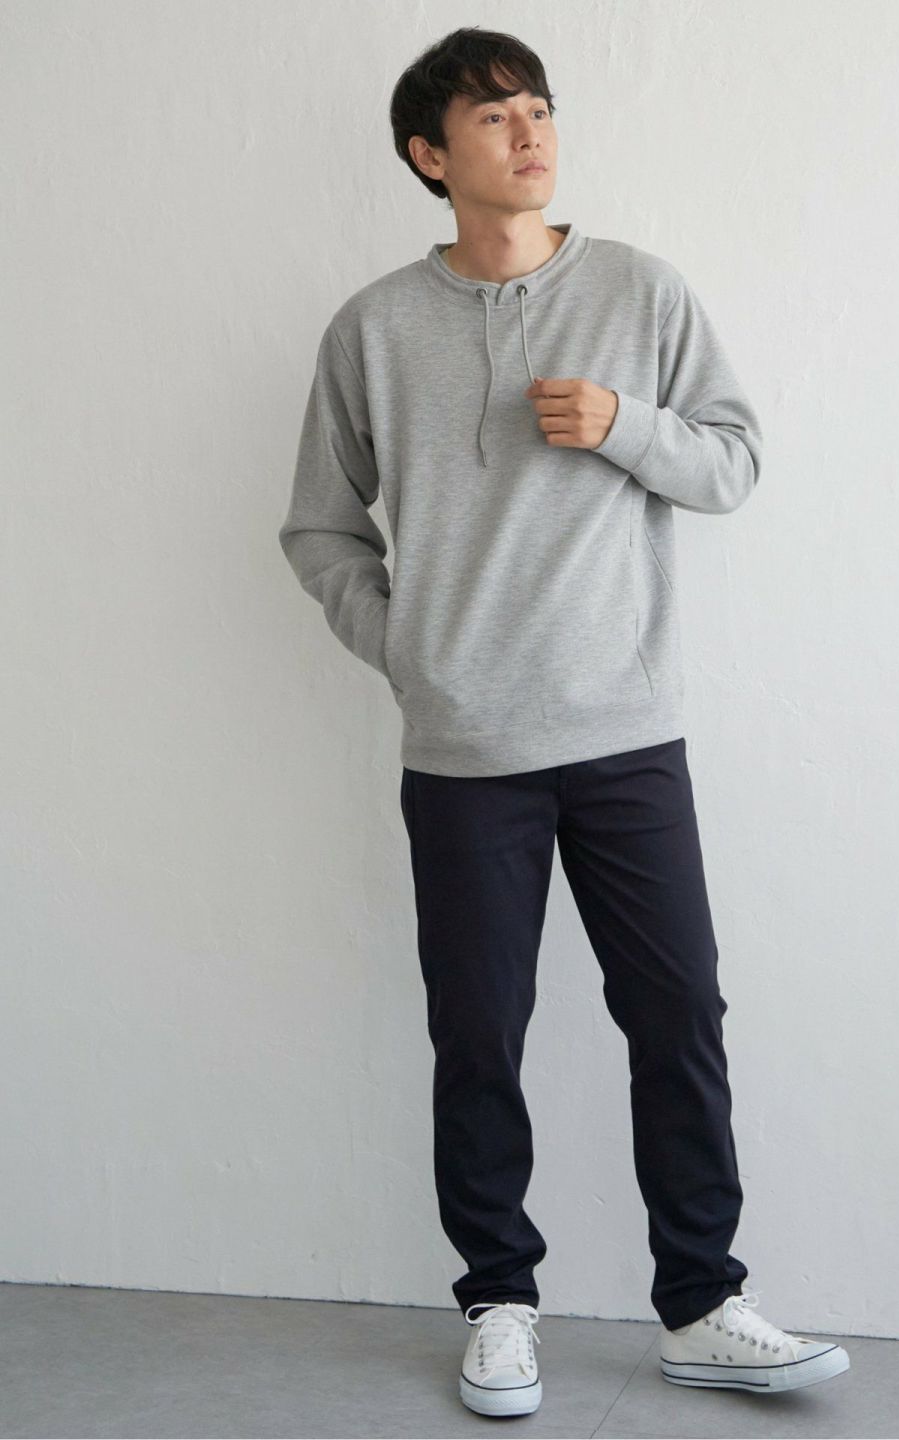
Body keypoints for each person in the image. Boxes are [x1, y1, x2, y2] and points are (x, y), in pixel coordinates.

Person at [278, 24, 850, 1419]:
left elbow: (735, 463)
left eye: (539, 108)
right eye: (494, 117)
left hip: (625, 733)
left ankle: (702, 1303)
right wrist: (411, 651)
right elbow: (320, 528)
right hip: (464, 749)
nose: (530, 133)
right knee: (480, 1033)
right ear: (430, 155)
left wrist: (624, 424)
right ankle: (499, 1302)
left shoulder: (642, 292)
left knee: (679, 1013)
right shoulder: (373, 329)